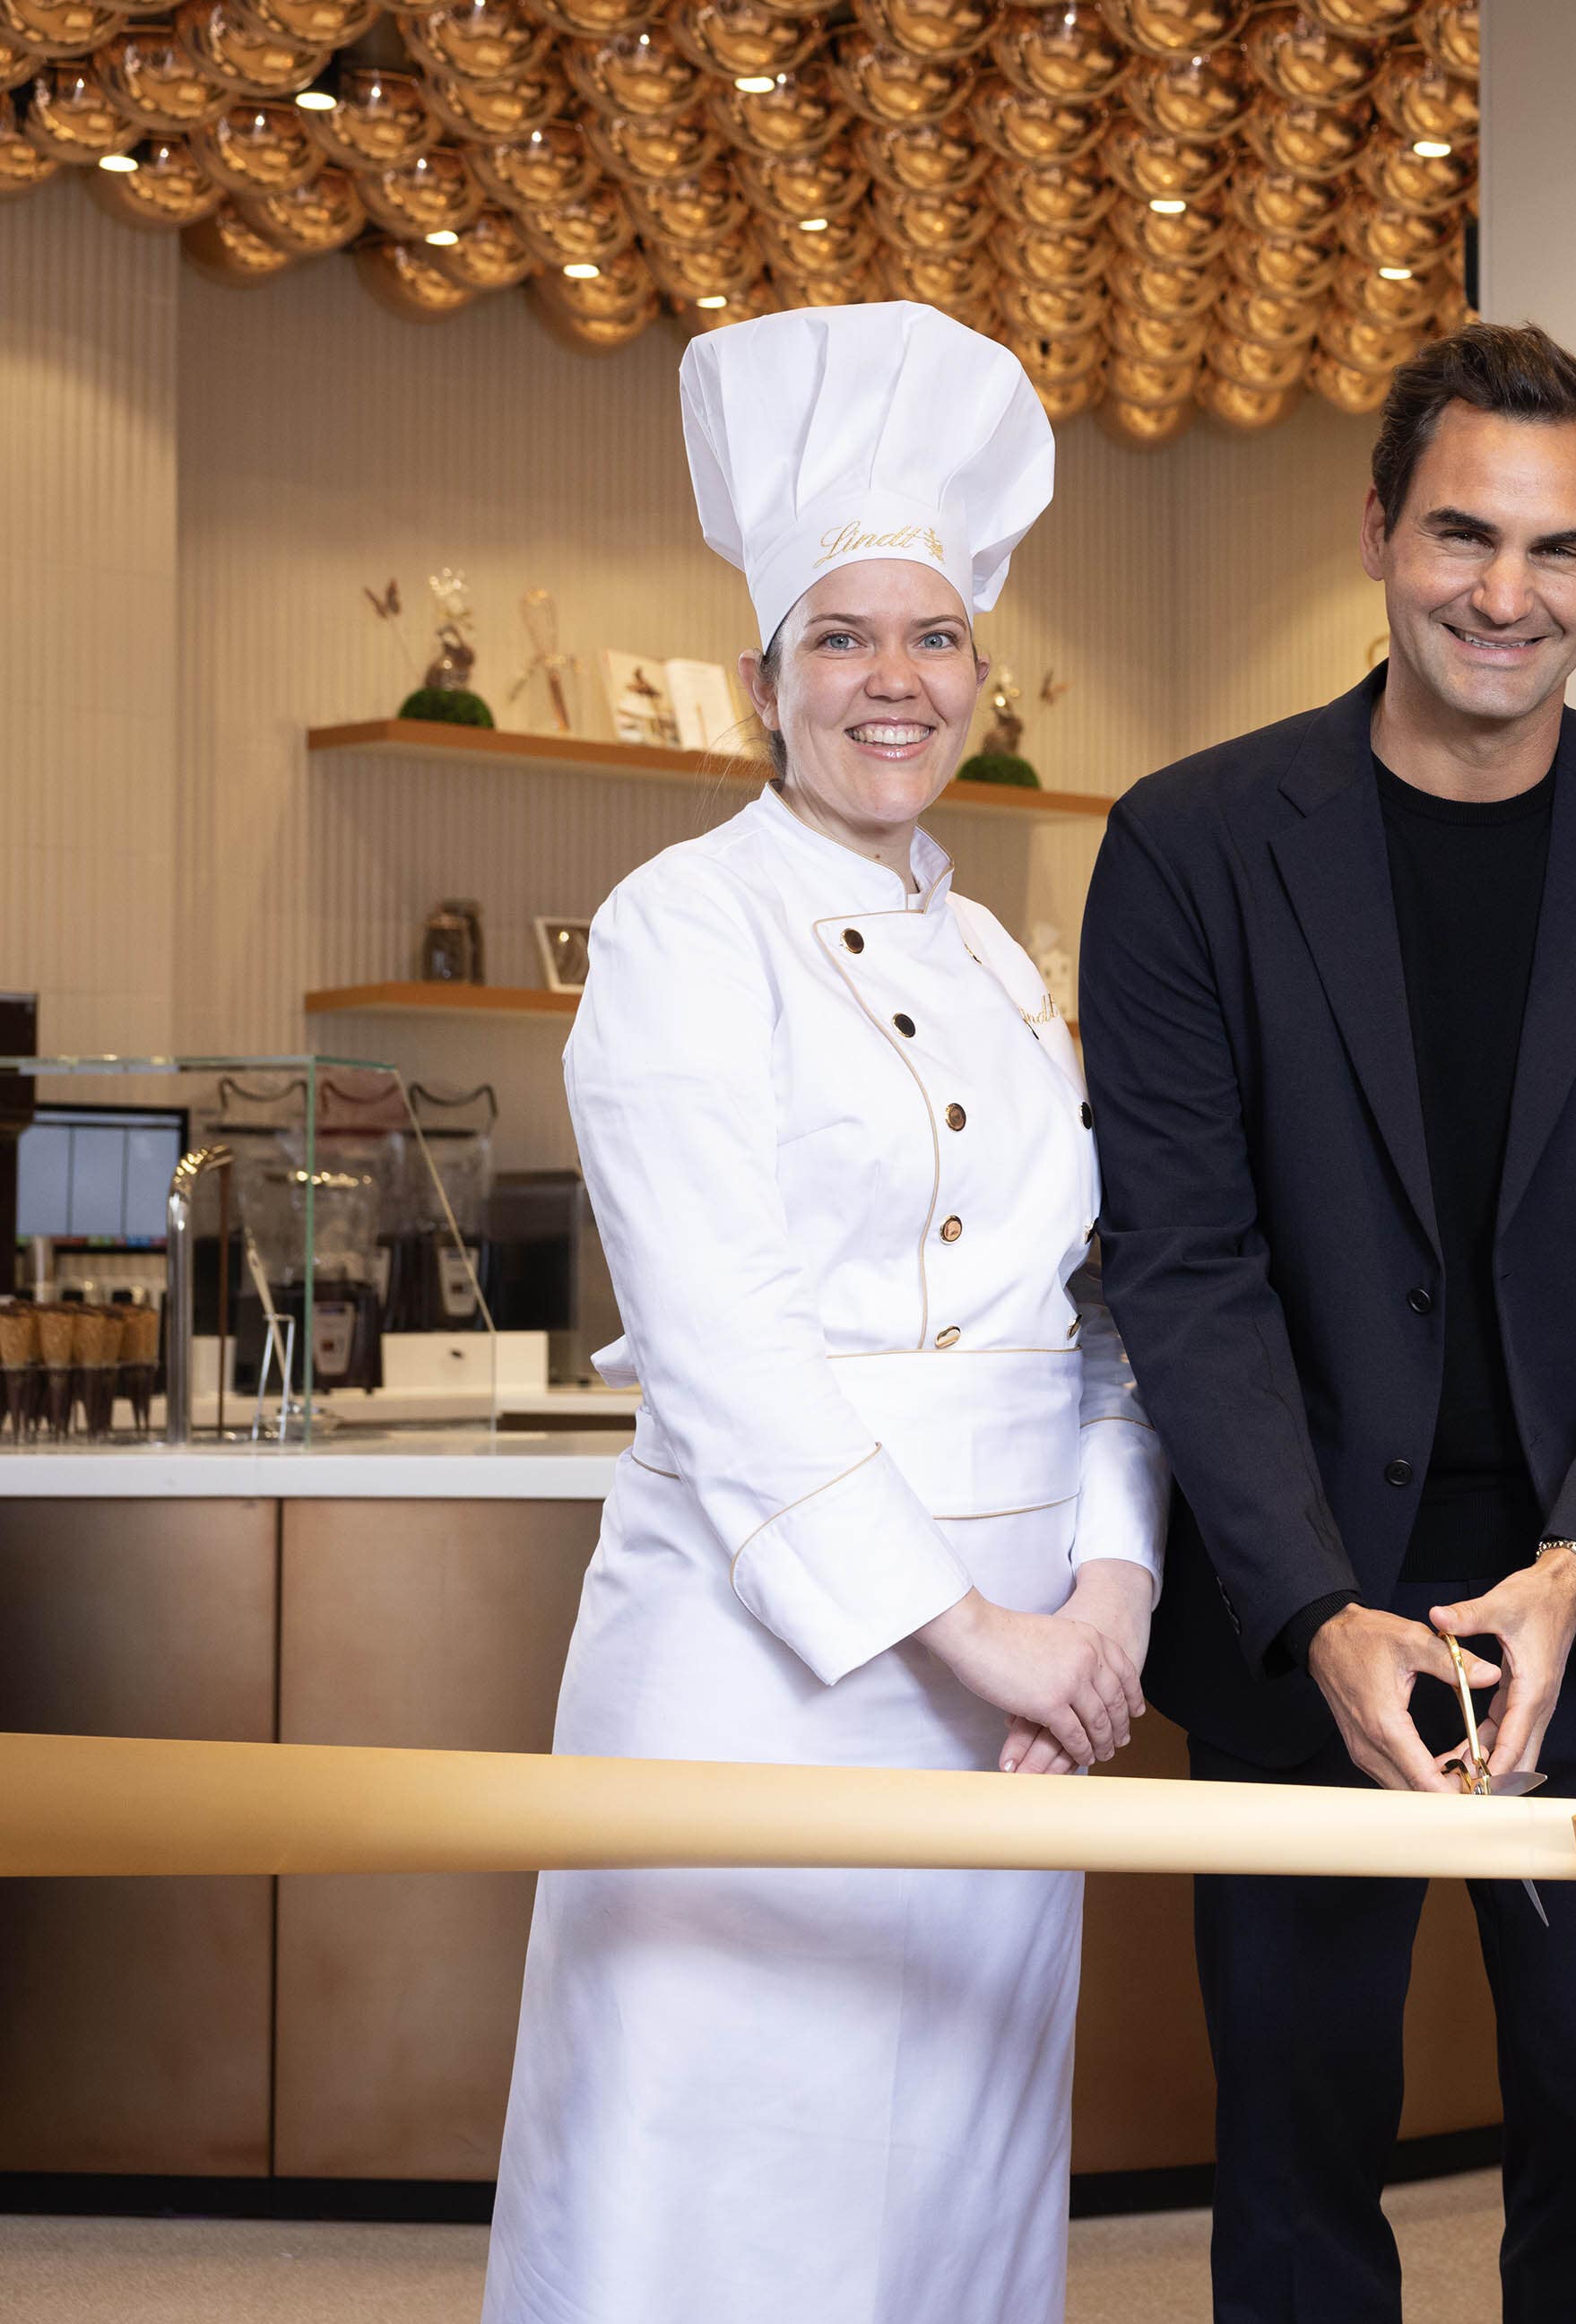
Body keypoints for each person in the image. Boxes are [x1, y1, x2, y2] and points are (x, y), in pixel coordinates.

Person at [1078, 322, 1576, 2324]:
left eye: (1560, 549)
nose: (1506, 592)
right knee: (1299, 2171)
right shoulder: (1194, 842)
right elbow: (1185, 1261)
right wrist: (1314, 1610)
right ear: (1380, 528)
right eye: (1464, 533)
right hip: (1301, 1604)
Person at [483, 304, 1164, 2324]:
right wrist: (982, 1635)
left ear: (982, 675)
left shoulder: (1007, 967)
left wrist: (1109, 1599)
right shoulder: (681, 925)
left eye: (934, 637)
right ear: (761, 682)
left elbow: (1095, 1324)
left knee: (945, 2205)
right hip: (764, 1668)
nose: (895, 680)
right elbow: (725, 1350)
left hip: (1015, 1701)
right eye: (842, 639)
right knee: (718, 2207)